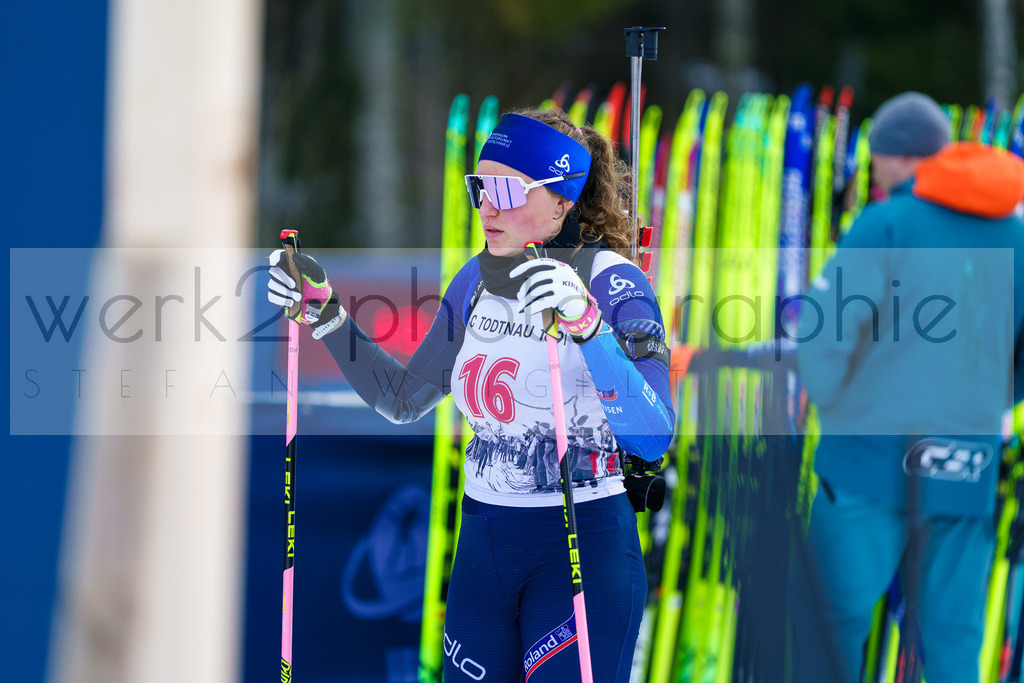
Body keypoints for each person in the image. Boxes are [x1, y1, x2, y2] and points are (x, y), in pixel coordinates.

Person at [267, 109, 675, 682]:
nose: (487, 205)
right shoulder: (476, 279)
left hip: (584, 546)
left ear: (560, 201)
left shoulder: (613, 282)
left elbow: (654, 433)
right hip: (486, 548)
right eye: (479, 187)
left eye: (507, 188)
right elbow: (403, 398)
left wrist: (587, 324)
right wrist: (327, 314)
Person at [793, 91, 1024, 682]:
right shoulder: (1016, 235)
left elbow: (822, 335)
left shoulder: (888, 221)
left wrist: (839, 410)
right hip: (965, 464)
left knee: (829, 626)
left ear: (898, 159)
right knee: (952, 640)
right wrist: (991, 401)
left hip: (869, 463)